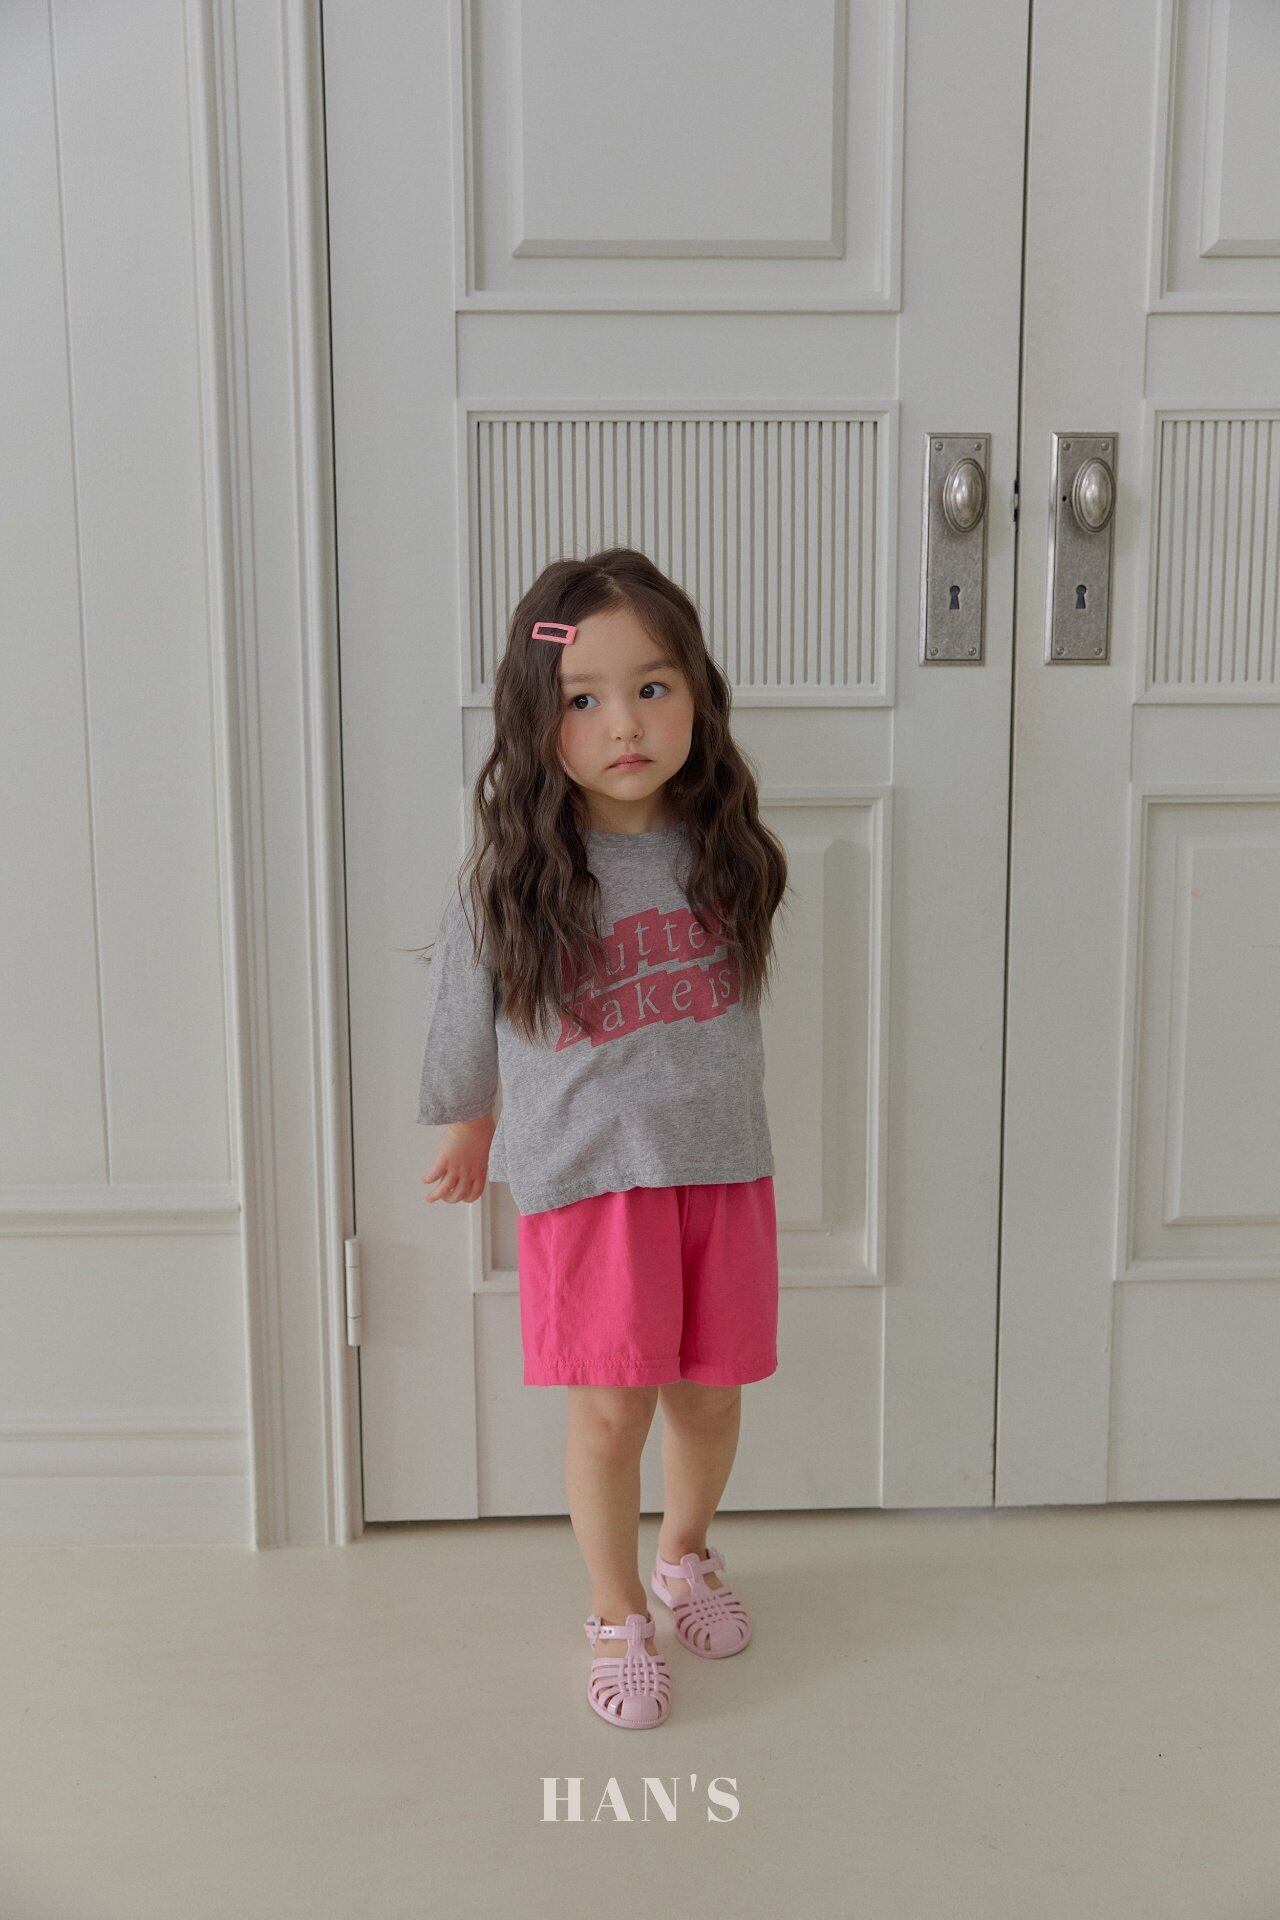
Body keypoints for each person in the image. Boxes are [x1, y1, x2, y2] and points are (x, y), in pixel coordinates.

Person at [414, 547, 789, 1729]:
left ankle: (683, 1555)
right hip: (588, 1180)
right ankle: (615, 1605)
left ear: (695, 696)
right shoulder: (516, 875)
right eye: (583, 699)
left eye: (651, 687)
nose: (623, 723)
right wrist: (469, 1121)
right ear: (539, 721)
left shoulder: (724, 851)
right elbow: (463, 1003)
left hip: (721, 1167)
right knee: (612, 1410)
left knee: (710, 1396)